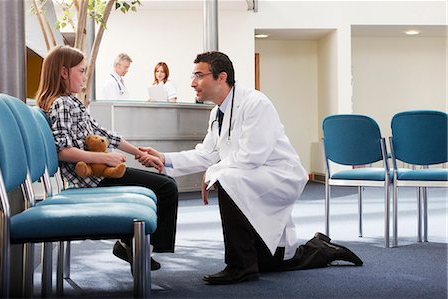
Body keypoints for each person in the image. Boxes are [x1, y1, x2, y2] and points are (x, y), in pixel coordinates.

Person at [139, 51, 363, 284]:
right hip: (253, 177)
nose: (192, 83)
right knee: (270, 262)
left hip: (278, 176)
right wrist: (164, 158)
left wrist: (214, 172)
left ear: (221, 77)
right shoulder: (217, 112)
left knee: (227, 178)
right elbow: (206, 153)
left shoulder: (255, 103)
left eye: (198, 75)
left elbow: (251, 156)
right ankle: (321, 248)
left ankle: (240, 266)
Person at [36, 45, 178, 271]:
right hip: (91, 179)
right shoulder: (62, 103)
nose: (85, 76)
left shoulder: (72, 102)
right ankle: (138, 251)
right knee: (166, 188)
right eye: (81, 71)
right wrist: (107, 159)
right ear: (64, 72)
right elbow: (62, 151)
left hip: (97, 174)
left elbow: (104, 134)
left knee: (167, 185)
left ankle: (131, 247)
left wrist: (139, 153)